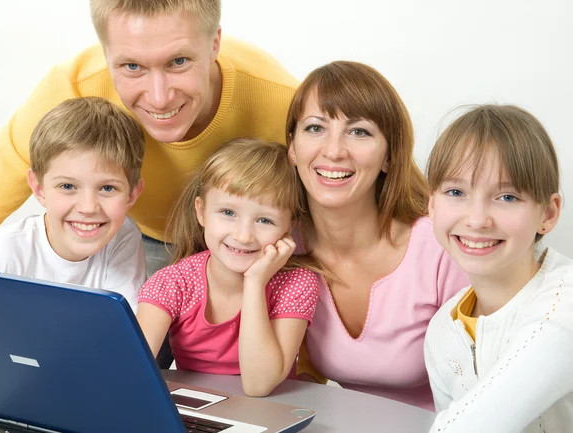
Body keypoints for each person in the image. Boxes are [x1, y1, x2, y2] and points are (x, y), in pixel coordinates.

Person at [0, 0, 299, 277]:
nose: (159, 99)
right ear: (106, 53)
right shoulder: (72, 88)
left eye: (178, 62)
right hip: (144, 241)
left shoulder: (282, 102)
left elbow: (336, 234)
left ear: (215, 43)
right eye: (132, 66)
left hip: (256, 243)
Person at [286, 61, 469, 410]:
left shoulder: (439, 247)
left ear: (389, 156)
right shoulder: (282, 248)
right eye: (315, 128)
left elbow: (483, 386)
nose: (334, 150)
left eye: (359, 132)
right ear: (293, 148)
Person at [424, 105, 571, 432]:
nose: (477, 219)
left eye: (506, 197)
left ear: (548, 213)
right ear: (431, 205)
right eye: (456, 192)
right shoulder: (442, 328)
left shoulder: (565, 307)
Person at [136, 138, 322, 397]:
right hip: (195, 413)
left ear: (289, 227)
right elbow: (130, 374)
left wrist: (255, 283)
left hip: (269, 412)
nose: (244, 235)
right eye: (228, 213)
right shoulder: (172, 282)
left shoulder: (296, 283)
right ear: (201, 212)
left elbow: (258, 385)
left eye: (264, 220)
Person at [0, 97, 146, 311]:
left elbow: (123, 334)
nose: (88, 207)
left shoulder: (124, 237)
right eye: (67, 186)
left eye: (107, 188)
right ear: (38, 188)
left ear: (132, 194)